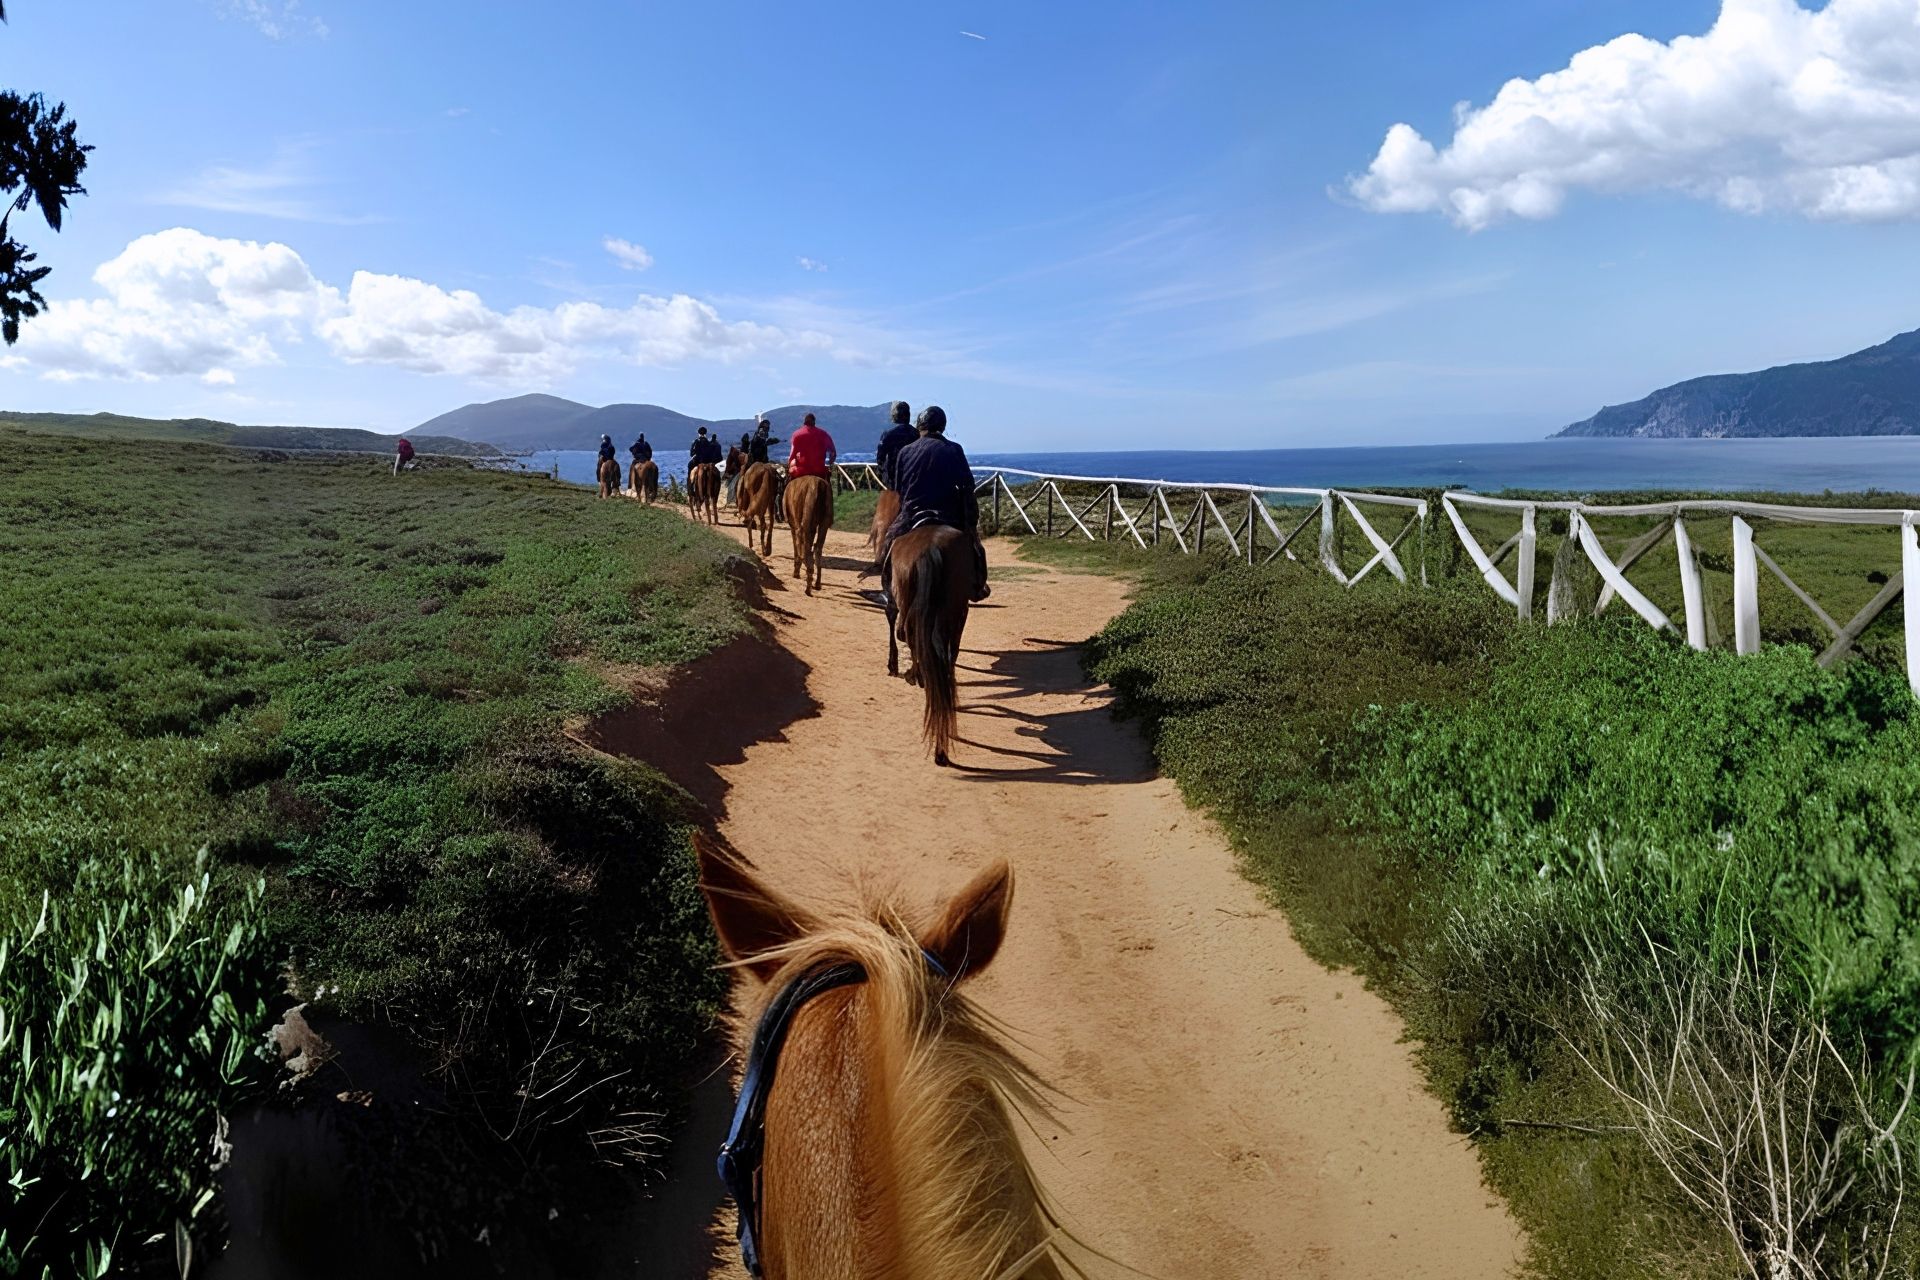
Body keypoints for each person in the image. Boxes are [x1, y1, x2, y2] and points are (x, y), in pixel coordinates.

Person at [884, 405, 989, 601]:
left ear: (920, 426)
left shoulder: (905, 452)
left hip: (912, 514)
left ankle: (888, 592)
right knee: (975, 546)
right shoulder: (954, 449)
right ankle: (978, 584)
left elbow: (899, 489)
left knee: (889, 541)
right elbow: (967, 486)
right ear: (942, 426)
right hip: (948, 514)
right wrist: (970, 521)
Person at [874, 401, 916, 490]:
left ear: (894, 416)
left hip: (893, 478)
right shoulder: (916, 433)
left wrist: (883, 474)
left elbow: (880, 457)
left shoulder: (888, 434)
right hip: (912, 477)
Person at [787, 412, 837, 482]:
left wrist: (789, 463)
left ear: (804, 422)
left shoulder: (796, 434)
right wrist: (830, 462)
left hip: (800, 471)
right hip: (819, 471)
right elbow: (833, 453)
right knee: (827, 482)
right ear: (814, 422)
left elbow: (792, 455)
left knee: (789, 479)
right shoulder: (824, 434)